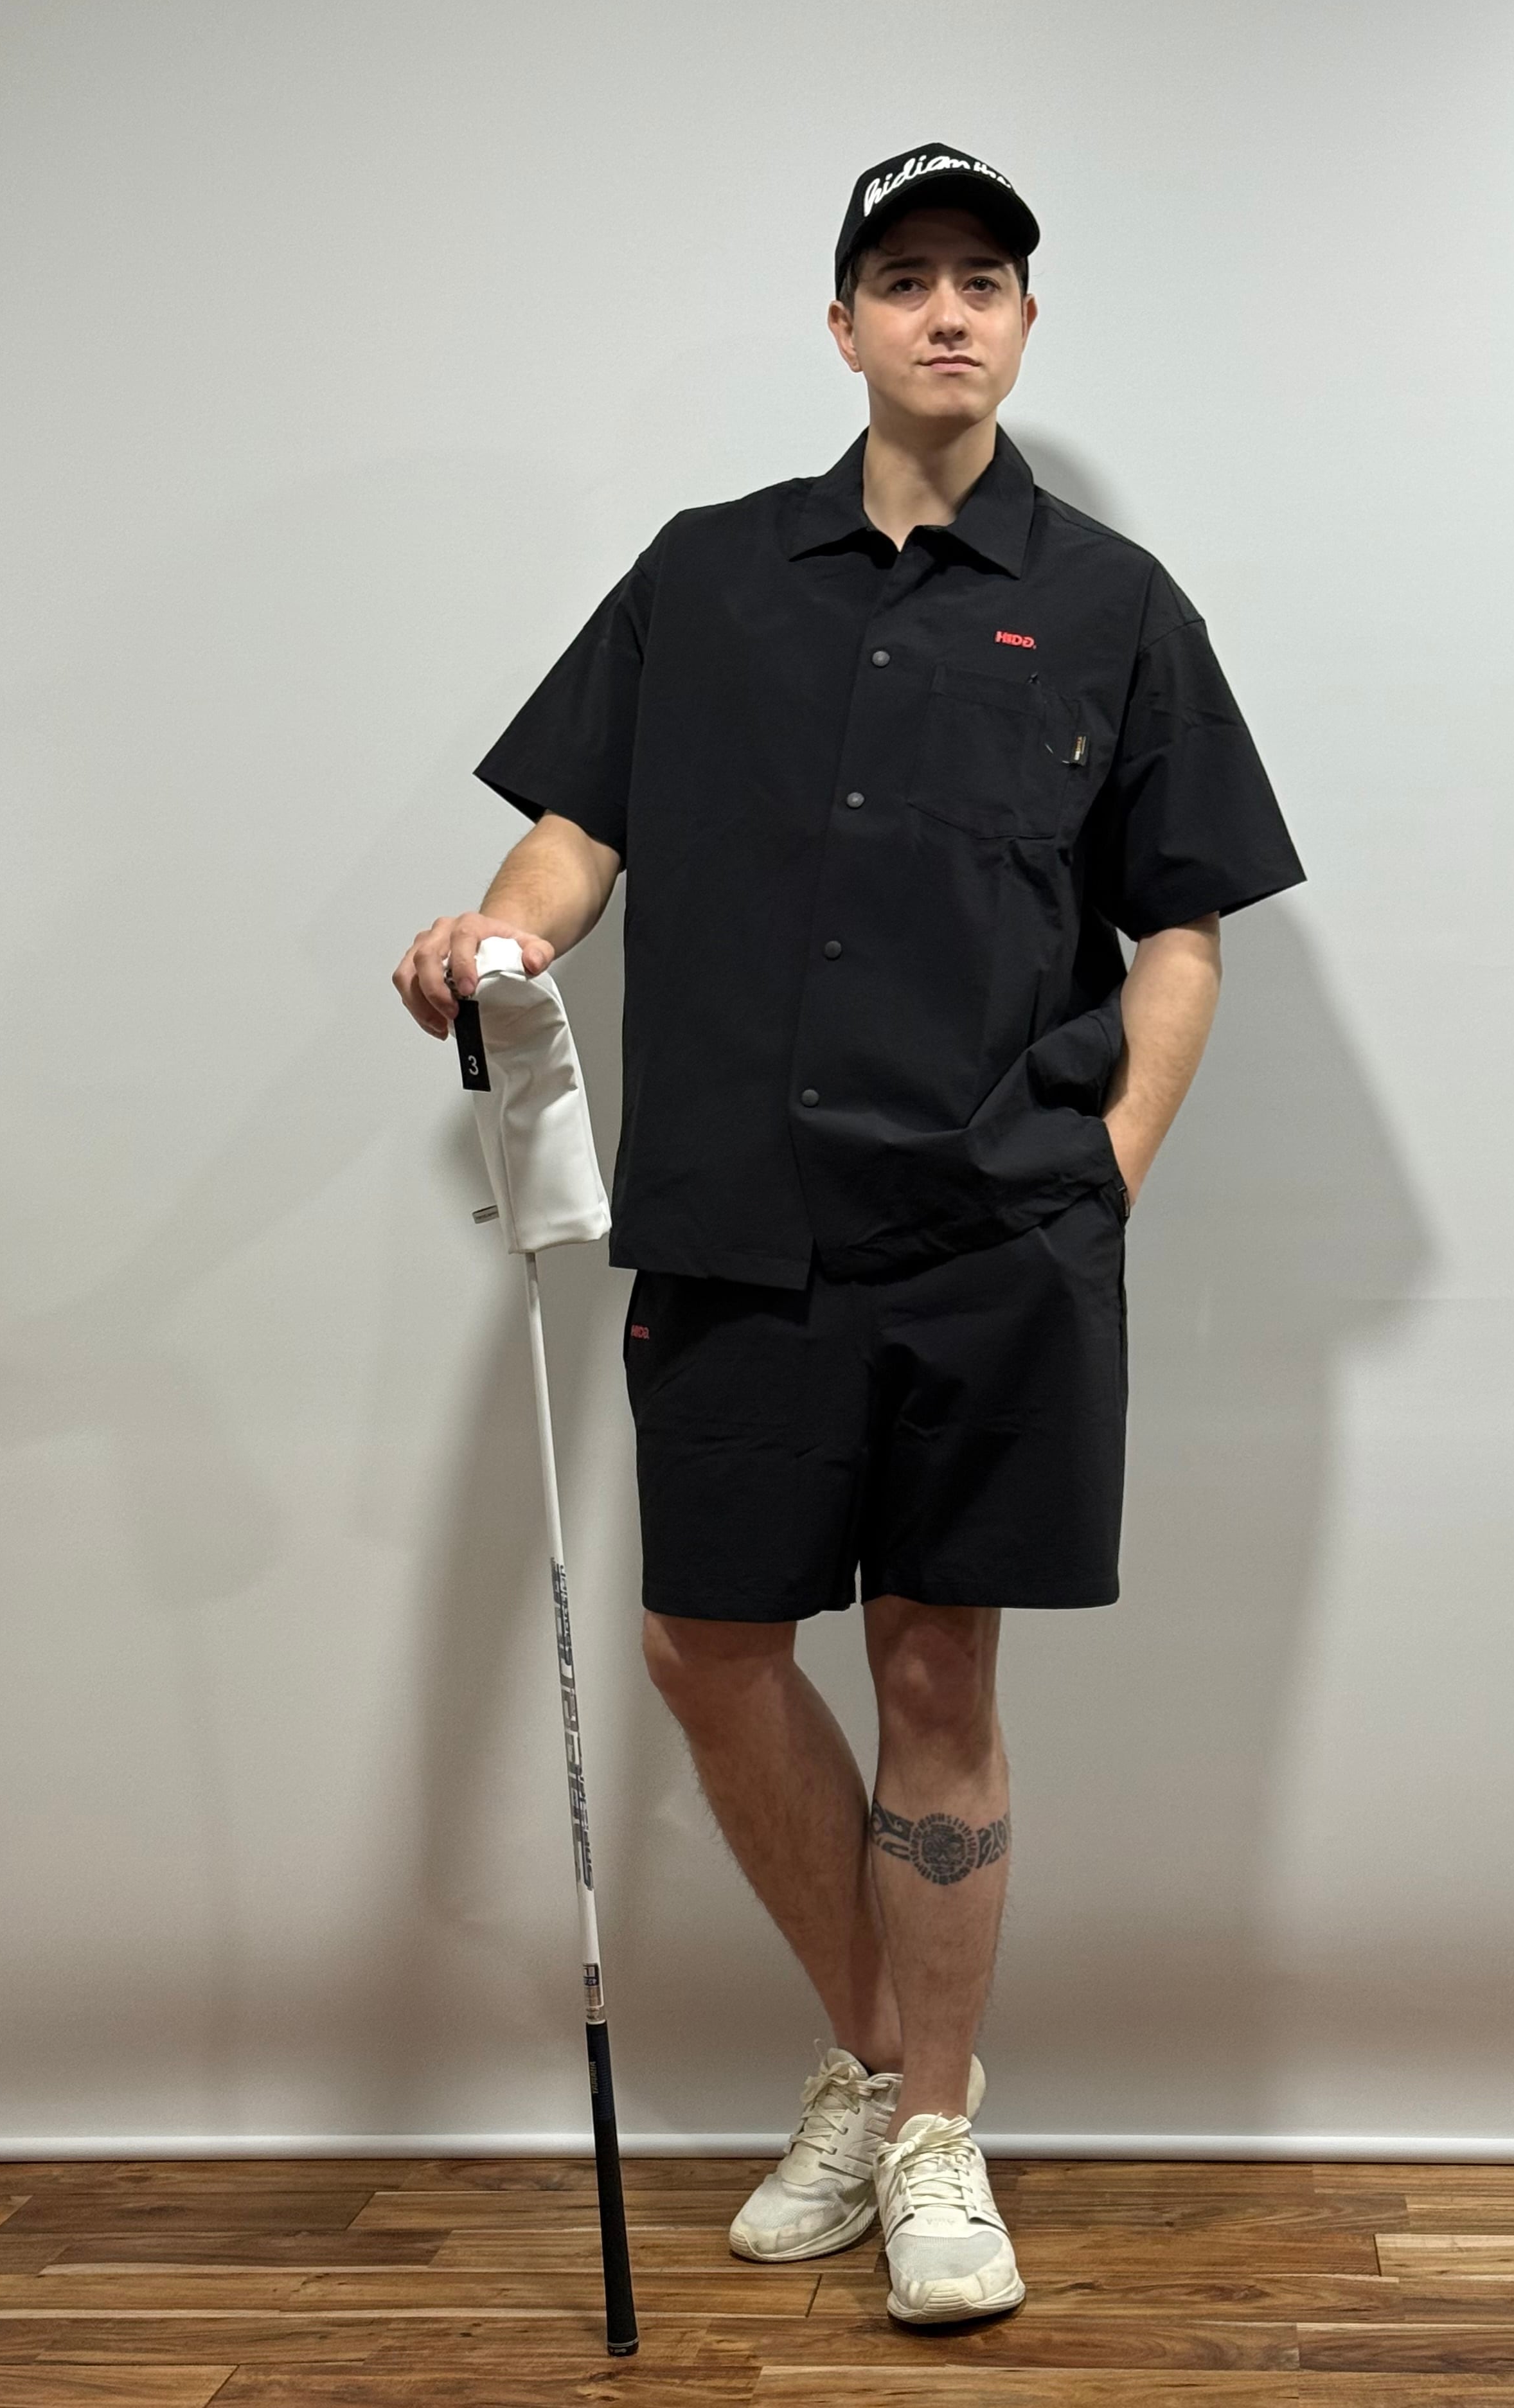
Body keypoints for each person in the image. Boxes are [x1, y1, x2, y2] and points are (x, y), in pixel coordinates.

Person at [393, 141, 1306, 2325]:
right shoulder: (706, 576)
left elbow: (1183, 930)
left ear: (1025, 323)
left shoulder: (1116, 604)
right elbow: (578, 828)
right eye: (906, 279)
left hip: (993, 1242)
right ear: (844, 326)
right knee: (707, 1649)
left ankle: (930, 2128)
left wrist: (1107, 1171)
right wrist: (494, 934)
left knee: (932, 1665)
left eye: (984, 278)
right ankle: (896, 2070)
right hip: (735, 1222)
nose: (947, 310)